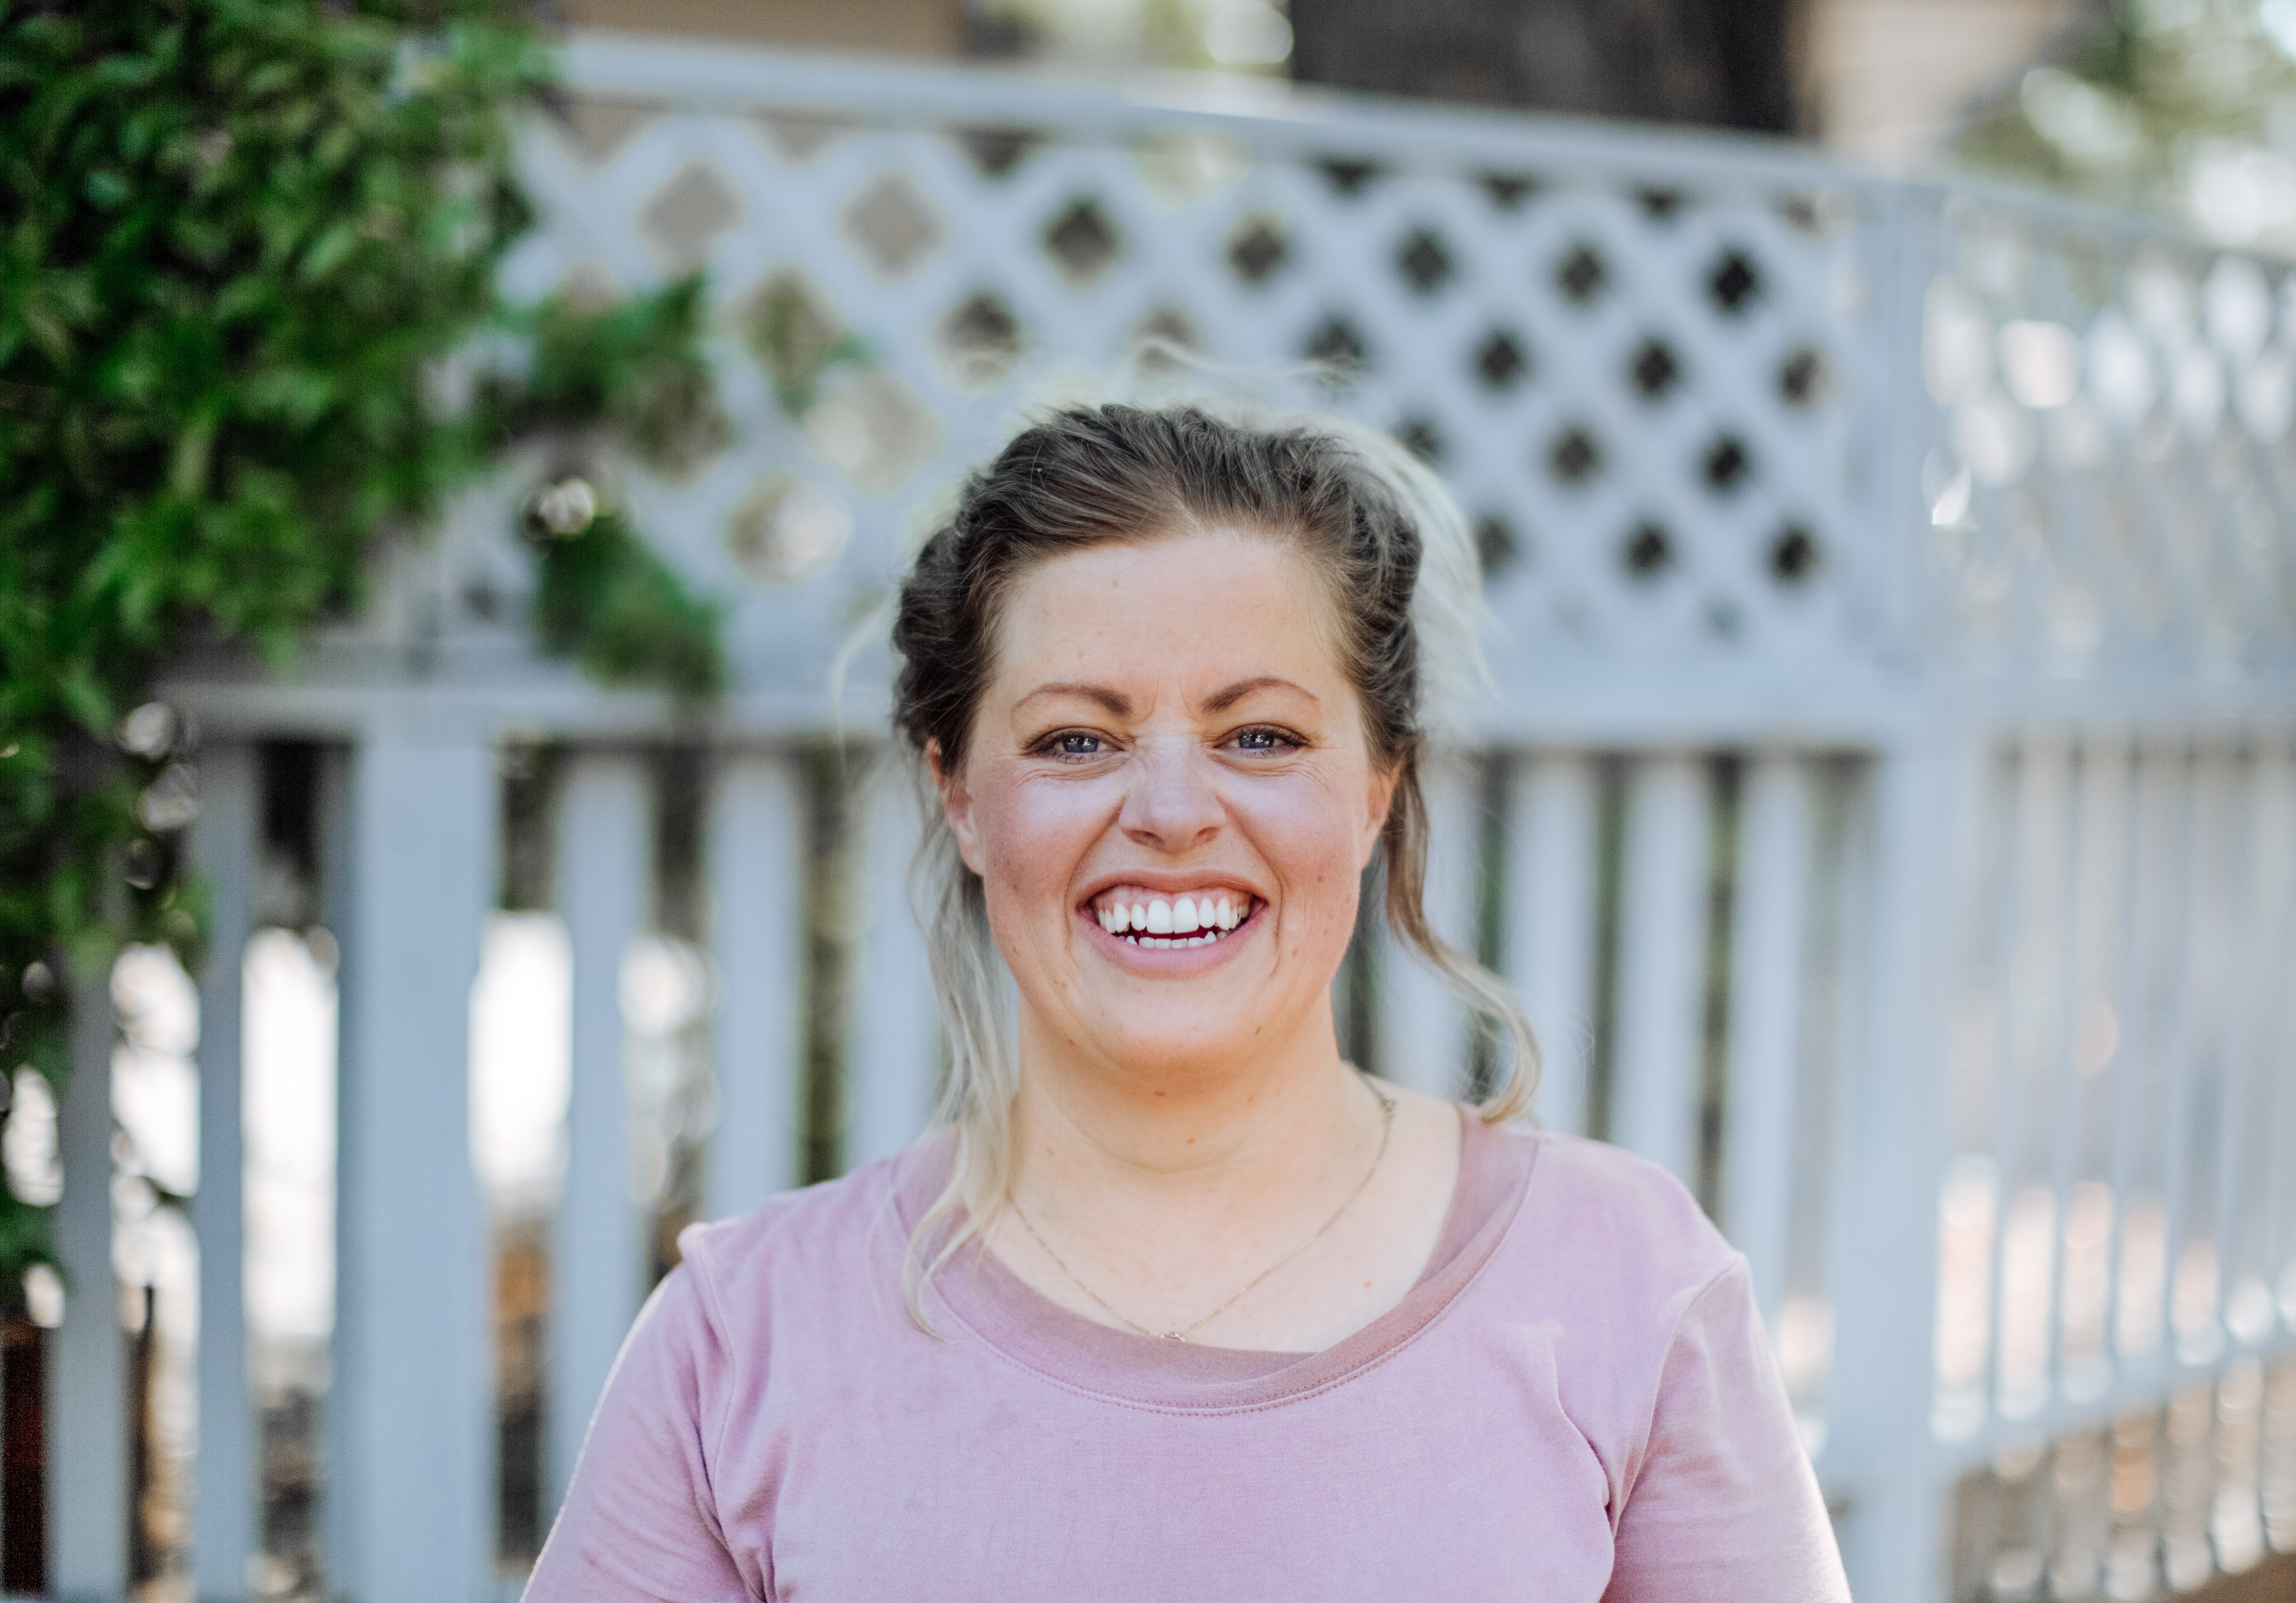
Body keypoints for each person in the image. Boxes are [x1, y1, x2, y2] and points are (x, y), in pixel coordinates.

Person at [525, 404, 1850, 1600]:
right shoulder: (739, 1346)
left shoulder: (1629, 1284)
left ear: (1378, 785)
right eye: (1075, 740)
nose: (1168, 814)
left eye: (1259, 735)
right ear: (960, 794)